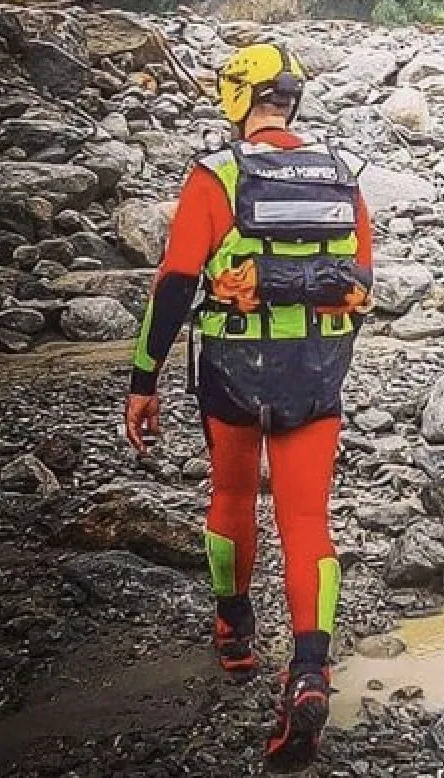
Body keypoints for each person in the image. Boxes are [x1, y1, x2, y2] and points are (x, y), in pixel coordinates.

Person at [123, 44, 373, 772]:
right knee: (307, 520)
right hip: (314, 374)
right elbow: (360, 283)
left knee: (232, 494)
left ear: (238, 98)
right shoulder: (344, 175)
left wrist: (144, 378)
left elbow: (175, 283)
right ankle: (310, 673)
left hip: (231, 372)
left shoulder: (217, 176)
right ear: (292, 101)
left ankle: (235, 632)